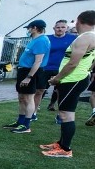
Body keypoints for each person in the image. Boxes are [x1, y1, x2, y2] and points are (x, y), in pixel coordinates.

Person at [40, 10, 95, 158]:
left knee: (66, 114)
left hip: (72, 79)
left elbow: (72, 63)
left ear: (79, 21)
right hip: (76, 78)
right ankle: (61, 143)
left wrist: (57, 78)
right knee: (65, 112)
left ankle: (65, 149)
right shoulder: (91, 37)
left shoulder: (84, 38)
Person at [2, 20, 50, 134]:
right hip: (24, 70)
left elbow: (38, 61)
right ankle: (20, 121)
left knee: (28, 98)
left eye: (29, 28)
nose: (28, 31)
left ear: (35, 28)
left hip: (30, 72)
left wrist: (29, 77)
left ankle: (26, 125)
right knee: (22, 97)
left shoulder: (41, 41)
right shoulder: (35, 40)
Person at [42, 20, 75, 112]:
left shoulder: (73, 38)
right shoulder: (47, 38)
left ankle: (52, 104)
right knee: (41, 88)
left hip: (62, 68)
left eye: (63, 27)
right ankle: (36, 106)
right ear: (54, 28)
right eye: (58, 27)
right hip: (46, 67)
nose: (60, 29)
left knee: (59, 90)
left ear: (67, 28)